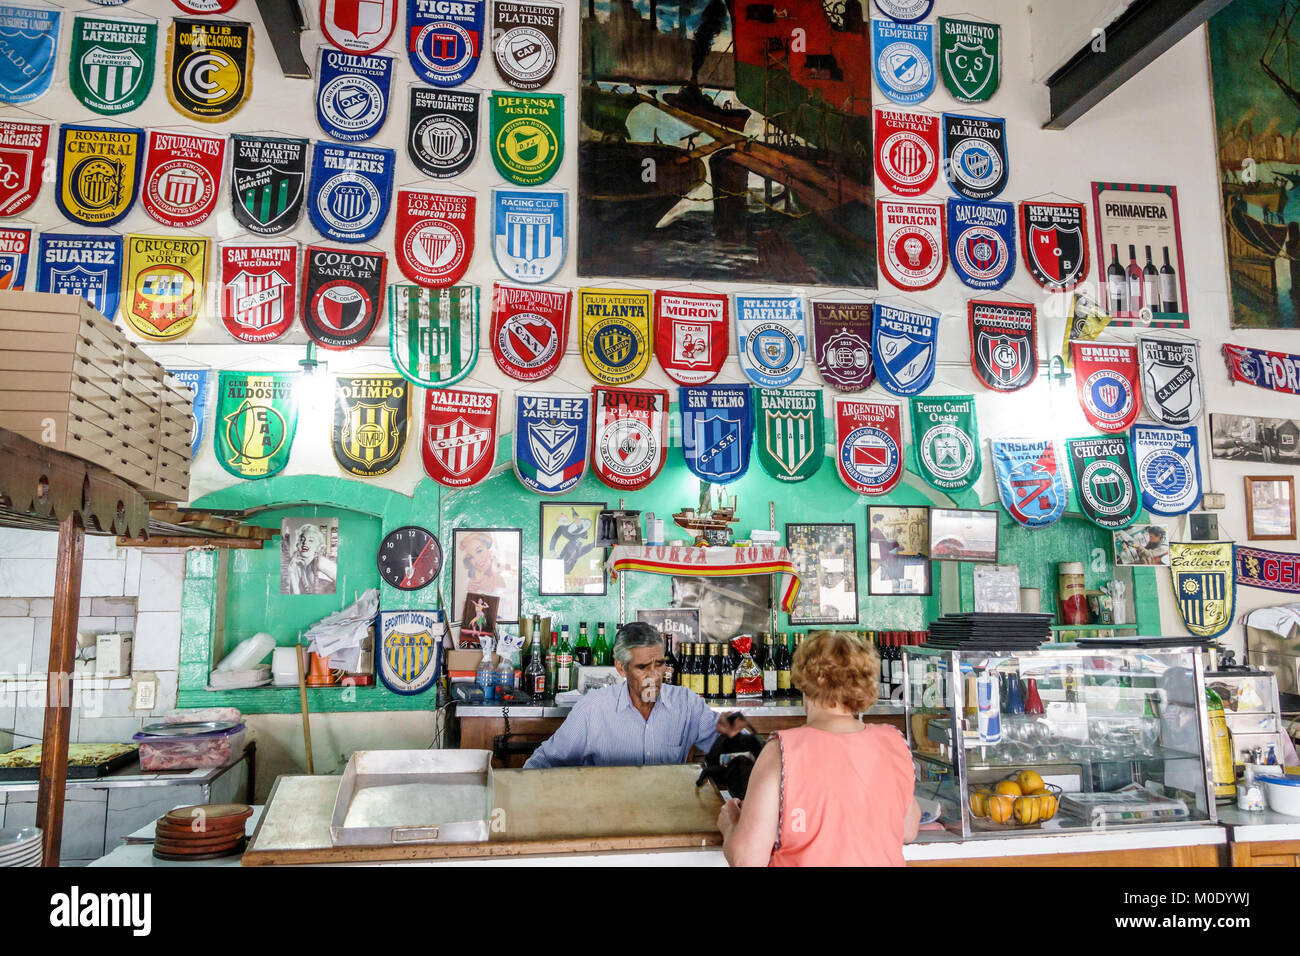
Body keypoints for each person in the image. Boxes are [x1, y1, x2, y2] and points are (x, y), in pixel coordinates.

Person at [717, 630, 920, 866]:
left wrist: (730, 823)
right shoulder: (893, 741)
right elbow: (908, 829)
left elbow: (747, 860)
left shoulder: (783, 750)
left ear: (804, 680)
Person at [523, 622, 748, 769]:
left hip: (668, 816)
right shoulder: (594, 708)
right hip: (609, 816)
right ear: (621, 668)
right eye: (642, 667)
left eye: (659, 664)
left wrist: (737, 736)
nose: (654, 675)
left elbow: (729, 743)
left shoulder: (686, 703)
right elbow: (542, 763)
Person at [285, 522, 337, 595]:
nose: (305, 543)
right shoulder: (297, 565)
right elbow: (295, 595)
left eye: (311, 540)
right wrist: (292, 573)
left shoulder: (320, 562)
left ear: (318, 547)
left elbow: (343, 581)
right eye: (302, 539)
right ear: (297, 544)